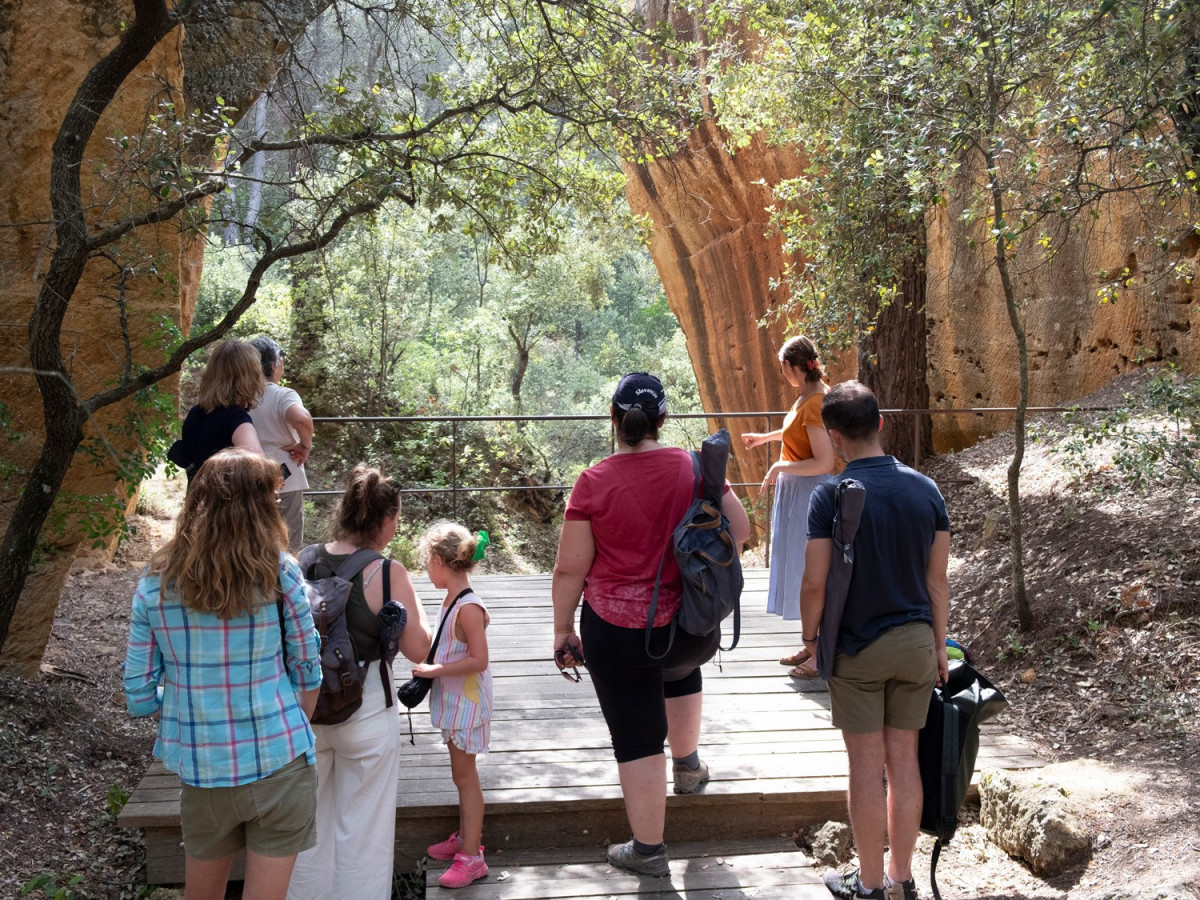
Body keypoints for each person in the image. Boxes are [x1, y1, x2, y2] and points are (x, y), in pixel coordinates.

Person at [551, 372, 750, 878]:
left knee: (638, 734)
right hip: (691, 626)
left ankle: (648, 850)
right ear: (664, 419)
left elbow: (571, 567)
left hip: (618, 635)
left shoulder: (593, 482)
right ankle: (687, 766)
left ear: (614, 420)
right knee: (680, 670)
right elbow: (742, 530)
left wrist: (562, 631)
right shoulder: (693, 466)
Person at [122, 449, 323, 900]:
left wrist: (183, 699)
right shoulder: (279, 570)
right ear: (261, 508)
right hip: (280, 761)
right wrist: (294, 717)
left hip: (202, 770)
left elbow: (137, 693)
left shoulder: (155, 583)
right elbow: (308, 666)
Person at [799, 382, 950, 900]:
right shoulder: (927, 490)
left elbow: (815, 582)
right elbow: (937, 582)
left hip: (857, 649)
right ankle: (902, 880)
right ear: (881, 423)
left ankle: (867, 885)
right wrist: (939, 647)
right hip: (915, 644)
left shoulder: (829, 496)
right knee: (902, 760)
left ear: (835, 437)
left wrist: (810, 637)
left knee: (865, 767)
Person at [286, 466, 433, 900]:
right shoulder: (387, 573)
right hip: (366, 713)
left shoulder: (304, 559)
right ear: (385, 521)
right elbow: (418, 649)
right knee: (363, 831)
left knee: (307, 829)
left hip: (308, 709)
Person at [741, 335, 834, 678]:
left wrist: (778, 466)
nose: (784, 375)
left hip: (809, 494)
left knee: (811, 572)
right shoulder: (808, 397)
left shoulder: (816, 402)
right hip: (797, 492)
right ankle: (811, 644)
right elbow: (796, 435)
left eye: (784, 369)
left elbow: (823, 462)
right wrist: (764, 439)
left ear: (791, 367)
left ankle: (821, 651)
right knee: (799, 569)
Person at [415, 523, 494, 890]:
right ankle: (465, 839)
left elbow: (479, 659)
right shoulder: (452, 598)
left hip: (468, 706)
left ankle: (472, 857)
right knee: (461, 776)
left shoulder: (468, 607)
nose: (425, 571)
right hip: (456, 702)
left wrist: (437, 669)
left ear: (437, 561)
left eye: (425, 564)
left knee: (466, 779)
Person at [249, 336, 314, 553]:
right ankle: (288, 584)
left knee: (255, 539)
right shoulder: (282, 395)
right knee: (289, 540)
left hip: (249, 475)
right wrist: (304, 446)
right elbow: (302, 420)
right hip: (286, 476)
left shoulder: (241, 395)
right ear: (275, 364)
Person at [169, 339, 265, 482]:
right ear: (251, 378)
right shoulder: (237, 421)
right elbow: (260, 469)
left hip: (197, 501)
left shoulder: (195, 413)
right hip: (228, 503)